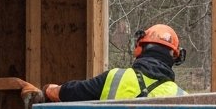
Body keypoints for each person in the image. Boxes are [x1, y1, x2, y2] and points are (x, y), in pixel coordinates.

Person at [42, 24, 187, 102]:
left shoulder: (115, 78)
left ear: (138, 49)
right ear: (175, 58)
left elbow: (74, 92)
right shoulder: (182, 97)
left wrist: (50, 90)